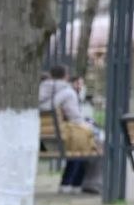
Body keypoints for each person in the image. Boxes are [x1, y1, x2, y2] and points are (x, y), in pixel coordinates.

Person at [39, 64, 98, 194]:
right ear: (66, 76)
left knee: (80, 141)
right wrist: (88, 126)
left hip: (44, 140)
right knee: (89, 141)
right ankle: (74, 183)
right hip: (61, 140)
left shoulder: (39, 91)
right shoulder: (67, 92)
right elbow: (75, 117)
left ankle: (68, 183)